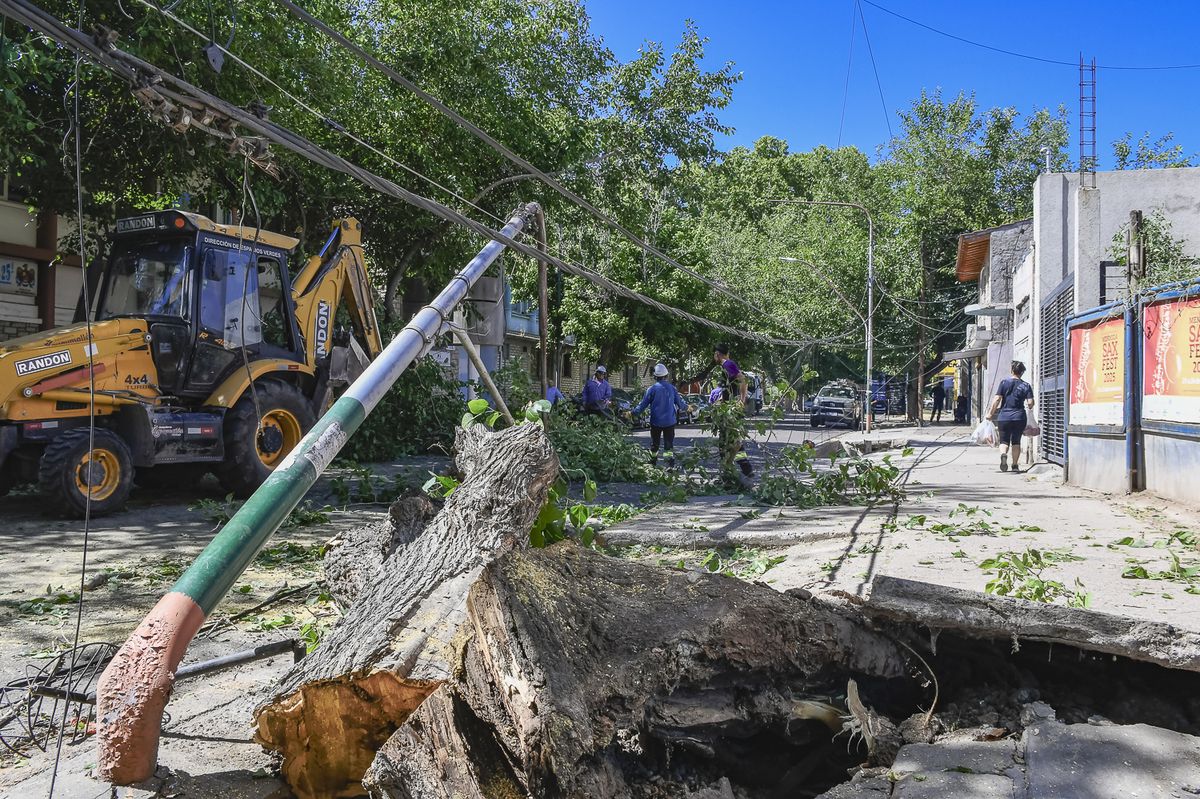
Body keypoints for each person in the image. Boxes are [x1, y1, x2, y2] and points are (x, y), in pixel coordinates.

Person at [633, 363, 689, 468]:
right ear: (666, 376)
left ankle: (652, 462)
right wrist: (688, 408)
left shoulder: (652, 389)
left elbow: (642, 405)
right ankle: (669, 465)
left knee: (655, 444)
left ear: (655, 376)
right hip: (669, 422)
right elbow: (680, 404)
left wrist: (632, 413)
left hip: (656, 422)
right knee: (668, 445)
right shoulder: (672, 388)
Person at [712, 344, 753, 478]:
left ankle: (729, 471)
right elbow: (729, 389)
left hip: (731, 411)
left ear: (718, 354)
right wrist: (720, 401)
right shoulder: (725, 367)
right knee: (730, 441)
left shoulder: (728, 364)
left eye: (714, 355)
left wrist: (741, 400)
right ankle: (742, 470)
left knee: (728, 442)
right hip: (727, 409)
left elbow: (743, 380)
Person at [988, 360, 1035, 473]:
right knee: (1016, 441)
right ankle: (1014, 465)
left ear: (1012, 370)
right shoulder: (1026, 385)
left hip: (1004, 416)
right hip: (1019, 417)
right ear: (1022, 372)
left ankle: (1004, 454)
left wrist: (990, 413)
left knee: (1004, 440)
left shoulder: (1004, 383)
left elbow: (997, 399)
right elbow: (1030, 403)